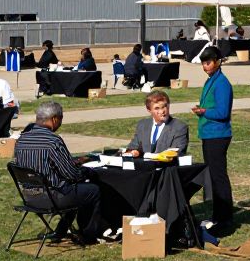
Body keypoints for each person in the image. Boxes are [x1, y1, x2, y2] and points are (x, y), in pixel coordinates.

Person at [14, 101, 105, 243]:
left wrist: (73, 162)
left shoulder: (21, 139)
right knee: (92, 190)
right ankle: (88, 235)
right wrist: (86, 172)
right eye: (60, 120)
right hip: (51, 197)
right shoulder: (53, 141)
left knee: (73, 189)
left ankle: (61, 230)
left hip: (29, 196)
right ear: (54, 119)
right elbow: (71, 174)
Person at [192, 46, 233, 231]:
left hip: (218, 135)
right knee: (214, 178)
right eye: (203, 63)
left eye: (208, 62)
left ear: (217, 61)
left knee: (219, 177)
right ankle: (217, 215)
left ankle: (224, 218)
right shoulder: (211, 81)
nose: (205, 66)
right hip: (209, 134)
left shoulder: (222, 83)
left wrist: (204, 111)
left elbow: (223, 112)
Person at [125, 91, 189, 156]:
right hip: (144, 165)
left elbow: (177, 151)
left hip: (166, 165)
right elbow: (132, 147)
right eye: (157, 108)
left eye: (164, 106)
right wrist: (134, 152)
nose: (162, 111)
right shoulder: (143, 125)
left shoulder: (179, 127)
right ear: (149, 110)